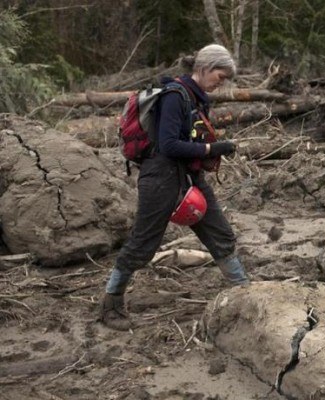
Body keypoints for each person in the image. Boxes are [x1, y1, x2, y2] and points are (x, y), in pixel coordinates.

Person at [99, 44, 250, 331]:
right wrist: (212, 148)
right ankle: (111, 303)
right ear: (204, 68)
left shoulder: (196, 98)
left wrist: (206, 151)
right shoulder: (174, 96)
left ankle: (245, 293)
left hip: (188, 176)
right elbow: (168, 145)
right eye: (221, 75)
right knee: (143, 243)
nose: (222, 83)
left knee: (220, 233)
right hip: (160, 177)